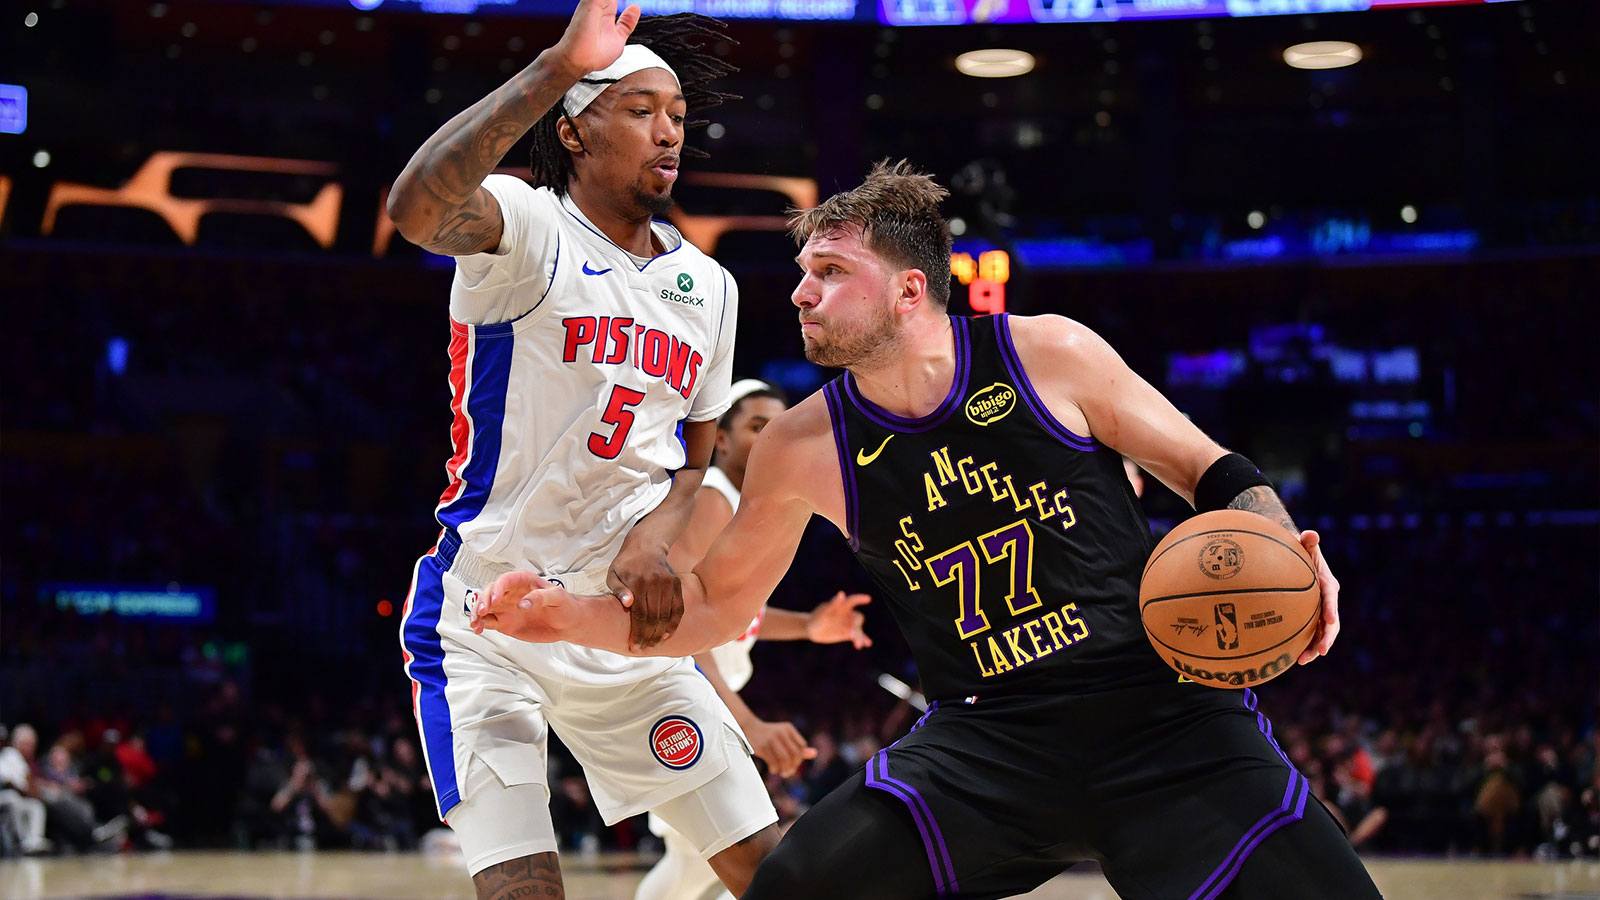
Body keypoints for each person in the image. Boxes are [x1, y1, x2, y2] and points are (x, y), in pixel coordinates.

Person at [472, 160, 1385, 899]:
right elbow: (713, 605)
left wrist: (1288, 550)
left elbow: (1210, 470)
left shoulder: (1047, 352)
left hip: (1164, 718)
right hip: (990, 741)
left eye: (831, 273)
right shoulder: (801, 444)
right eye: (803, 273)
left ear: (910, 290)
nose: (801, 294)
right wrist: (566, 617)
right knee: (796, 889)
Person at [384, 1, 779, 897]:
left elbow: (695, 461)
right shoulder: (528, 227)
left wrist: (656, 542)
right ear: (573, 130)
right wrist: (559, 64)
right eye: (639, 111)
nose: (669, 132)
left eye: (677, 114)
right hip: (486, 616)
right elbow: (415, 208)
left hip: (618, 623)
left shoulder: (709, 286)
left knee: (775, 873)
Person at [636, 378, 872, 900]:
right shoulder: (712, 499)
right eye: (757, 426)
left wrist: (808, 626)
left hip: (697, 694)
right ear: (720, 438)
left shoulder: (743, 503)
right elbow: (680, 625)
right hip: (680, 691)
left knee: (695, 864)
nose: (770, 437)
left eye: (777, 427)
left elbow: (731, 613)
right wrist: (747, 723)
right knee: (751, 853)